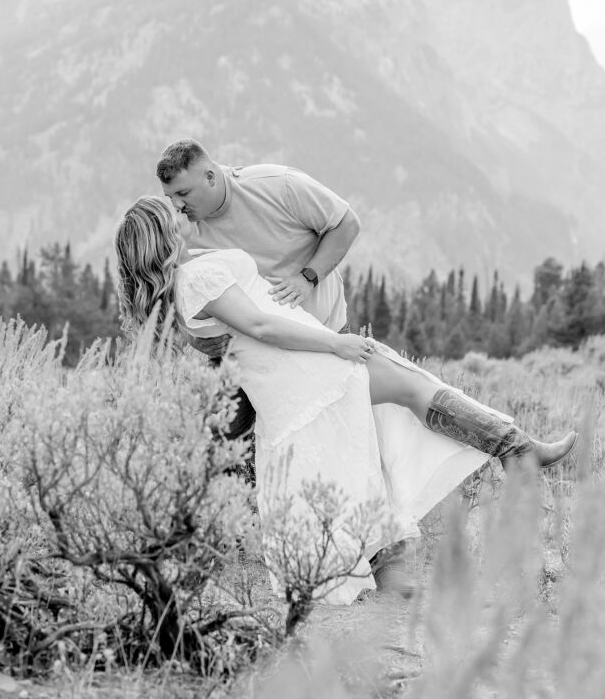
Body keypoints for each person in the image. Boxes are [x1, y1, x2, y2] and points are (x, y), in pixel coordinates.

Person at [114, 196, 578, 607]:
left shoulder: (186, 283)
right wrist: (333, 345)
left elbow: (244, 335)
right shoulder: (197, 276)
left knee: (369, 440)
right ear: (164, 236)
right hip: (306, 367)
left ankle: (396, 561)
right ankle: (517, 451)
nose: (183, 211)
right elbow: (260, 327)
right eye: (173, 213)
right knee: (410, 392)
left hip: (296, 371)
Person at [156, 139, 359, 439]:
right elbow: (167, 288)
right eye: (170, 197)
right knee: (213, 443)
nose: (177, 205)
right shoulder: (181, 228)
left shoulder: (278, 185)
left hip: (323, 336)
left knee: (341, 433)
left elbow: (346, 224)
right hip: (244, 355)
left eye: (183, 193)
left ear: (210, 176)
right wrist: (191, 335)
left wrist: (308, 277)